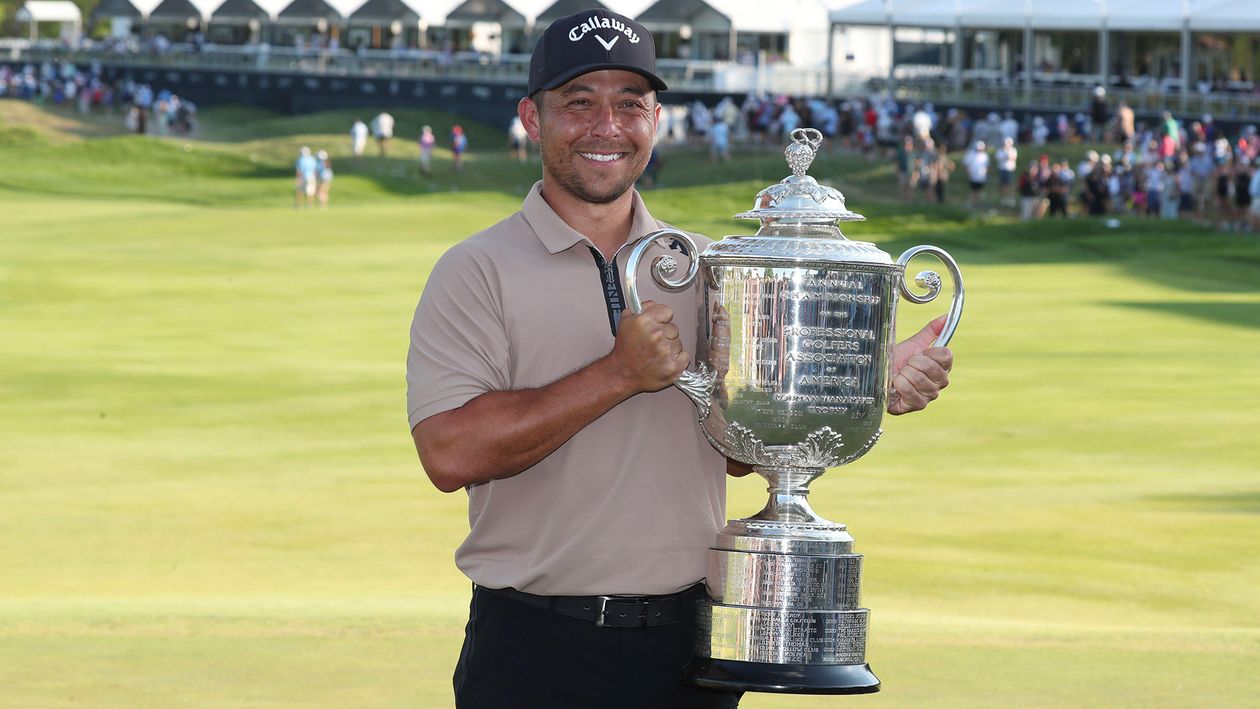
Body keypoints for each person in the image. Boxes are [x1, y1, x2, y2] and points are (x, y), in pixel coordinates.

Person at [405, 9, 954, 708]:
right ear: (532, 118)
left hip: (688, 653)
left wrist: (863, 380)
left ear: (655, 119)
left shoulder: (712, 267)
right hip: (533, 649)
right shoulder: (475, 270)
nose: (607, 125)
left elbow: (739, 447)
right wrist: (617, 374)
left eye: (629, 104)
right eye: (579, 102)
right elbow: (449, 454)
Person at [961, 140, 989, 209]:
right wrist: (968, 173)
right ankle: (971, 203)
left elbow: (987, 166)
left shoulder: (985, 156)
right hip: (973, 176)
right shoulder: (970, 154)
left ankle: (976, 204)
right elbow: (965, 165)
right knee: (973, 190)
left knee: (979, 191)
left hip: (981, 177)